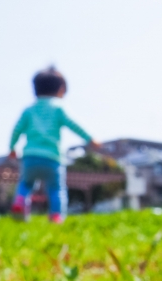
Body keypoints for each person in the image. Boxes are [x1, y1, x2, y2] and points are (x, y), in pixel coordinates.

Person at [9, 67, 100, 223]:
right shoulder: (58, 108)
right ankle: (56, 216)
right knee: (56, 189)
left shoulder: (29, 110)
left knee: (26, 184)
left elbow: (17, 130)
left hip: (30, 156)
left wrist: (12, 148)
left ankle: (19, 203)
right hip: (52, 157)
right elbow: (74, 125)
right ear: (60, 90)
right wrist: (90, 138)